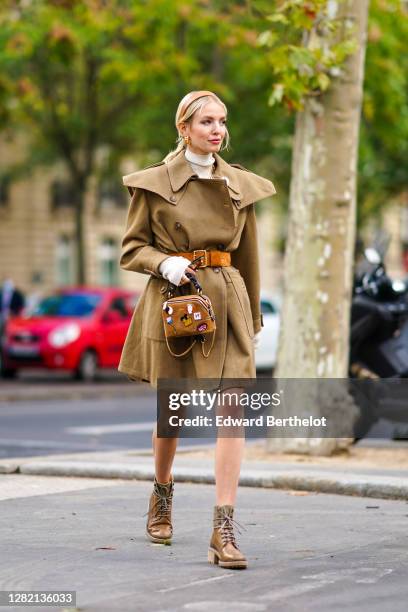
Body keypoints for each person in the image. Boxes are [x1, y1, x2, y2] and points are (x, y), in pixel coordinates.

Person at [118, 90, 276, 569]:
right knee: (174, 411)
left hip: (226, 299)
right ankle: (162, 493)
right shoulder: (154, 184)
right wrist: (163, 262)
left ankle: (223, 528)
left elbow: (248, 256)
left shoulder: (240, 186)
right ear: (183, 127)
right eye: (207, 121)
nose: (217, 130)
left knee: (233, 408)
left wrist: (251, 320)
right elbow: (131, 249)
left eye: (222, 121)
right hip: (176, 301)